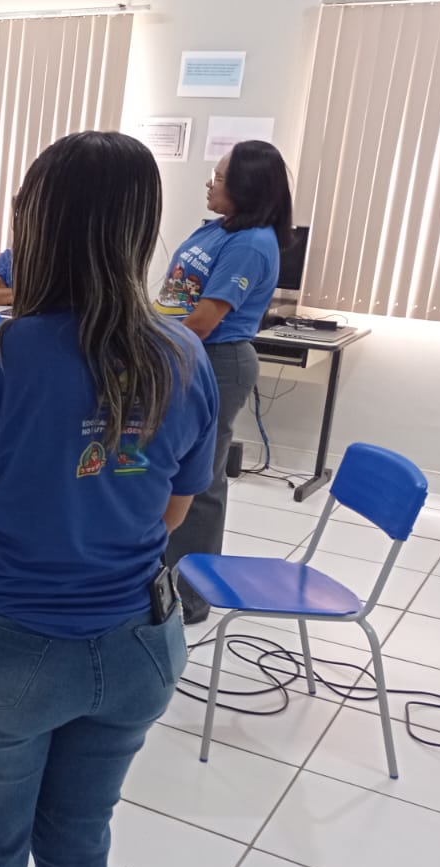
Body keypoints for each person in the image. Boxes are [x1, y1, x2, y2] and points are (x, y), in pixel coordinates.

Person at [0, 131, 218, 867]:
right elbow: (171, 514)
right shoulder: (182, 358)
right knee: (77, 847)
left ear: (34, 223)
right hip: (138, 648)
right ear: (140, 229)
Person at [156, 139, 291, 624]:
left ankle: (191, 595)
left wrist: (141, 339)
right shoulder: (217, 230)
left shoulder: (252, 244)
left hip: (215, 362)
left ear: (246, 185)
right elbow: (176, 302)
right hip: (183, 355)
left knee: (200, 478)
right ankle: (157, 578)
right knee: (170, 470)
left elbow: (203, 321)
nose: (210, 182)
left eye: (218, 176)